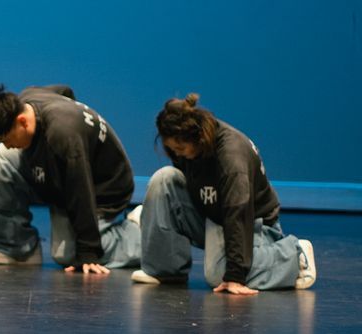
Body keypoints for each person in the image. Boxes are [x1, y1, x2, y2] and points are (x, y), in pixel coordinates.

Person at [133, 93, 318, 293]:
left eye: (180, 148)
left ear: (196, 138)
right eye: (172, 148)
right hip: (214, 217)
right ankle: (165, 269)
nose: (177, 153)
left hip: (252, 225)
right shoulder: (190, 148)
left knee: (218, 275)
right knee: (163, 179)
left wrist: (235, 275)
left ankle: (295, 255)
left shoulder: (231, 156)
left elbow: (238, 212)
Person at [0, 83, 140, 275]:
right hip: (58, 171)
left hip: (102, 190)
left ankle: (141, 232)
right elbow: (64, 91)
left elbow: (80, 190)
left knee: (67, 255)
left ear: (22, 121)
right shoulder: (28, 98)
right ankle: (17, 249)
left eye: (7, 139)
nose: (7, 145)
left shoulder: (64, 135)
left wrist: (88, 251)